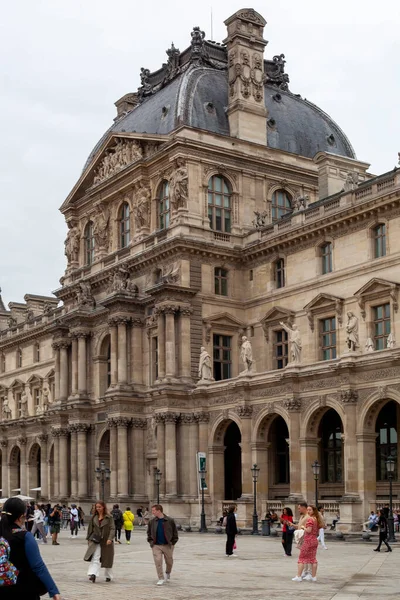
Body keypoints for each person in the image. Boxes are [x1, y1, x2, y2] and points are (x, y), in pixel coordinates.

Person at [0, 497, 61, 599]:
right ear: (20, 517)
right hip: (24, 589)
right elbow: (38, 566)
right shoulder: (24, 536)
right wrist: (53, 590)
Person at [147, 504, 179, 585]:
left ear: (159, 511)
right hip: (156, 545)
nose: (152, 512)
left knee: (169, 561)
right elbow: (149, 533)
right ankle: (160, 578)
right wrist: (151, 542)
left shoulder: (170, 520)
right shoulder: (152, 521)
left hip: (167, 545)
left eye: (154, 510)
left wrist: (173, 542)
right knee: (158, 561)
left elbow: (175, 532)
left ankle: (168, 572)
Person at [84, 500, 115, 583]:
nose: (98, 509)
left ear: (103, 507)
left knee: (107, 558)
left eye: (99, 507)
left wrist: (110, 538)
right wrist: (89, 539)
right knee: (95, 557)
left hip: (106, 540)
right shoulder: (94, 517)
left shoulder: (109, 517)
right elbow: (90, 529)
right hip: (96, 540)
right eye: (97, 507)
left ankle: (108, 576)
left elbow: (112, 528)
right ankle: (93, 574)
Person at [292, 505, 323, 582]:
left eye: (310, 510)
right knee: (313, 559)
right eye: (308, 510)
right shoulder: (317, 519)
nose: (308, 511)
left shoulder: (310, 520)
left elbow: (309, 530)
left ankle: (298, 576)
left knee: (301, 558)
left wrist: (303, 527)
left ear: (313, 511)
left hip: (308, 540)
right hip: (314, 540)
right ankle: (313, 576)